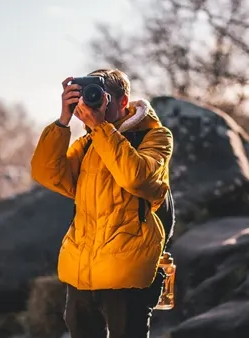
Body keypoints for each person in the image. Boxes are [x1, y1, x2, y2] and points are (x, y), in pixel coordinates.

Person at [30, 69, 174, 338]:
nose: (95, 104)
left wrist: (100, 128)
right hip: (82, 271)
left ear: (122, 101)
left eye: (101, 97)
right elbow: (46, 173)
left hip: (128, 271)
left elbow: (136, 178)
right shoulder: (86, 144)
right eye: (87, 97)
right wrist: (63, 121)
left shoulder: (155, 137)